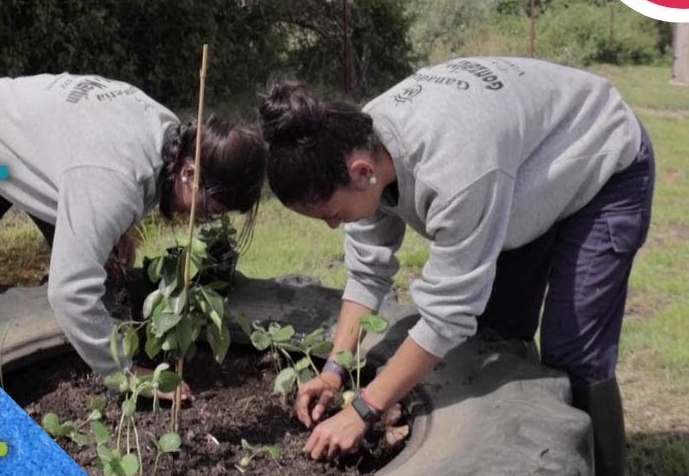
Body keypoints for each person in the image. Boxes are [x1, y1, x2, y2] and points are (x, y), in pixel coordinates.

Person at [258, 57, 654, 475]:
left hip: (600, 162)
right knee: (496, 334)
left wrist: (363, 409)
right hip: (524, 173)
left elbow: (446, 317)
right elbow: (366, 273)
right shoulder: (355, 144)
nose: (333, 225)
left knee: (573, 349)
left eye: (332, 213)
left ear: (361, 173)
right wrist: (334, 370)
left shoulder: (455, 166)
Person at [0, 72, 267, 393]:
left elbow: (108, 171)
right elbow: (68, 293)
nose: (201, 220)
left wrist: (119, 226)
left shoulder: (171, 134)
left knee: (107, 275)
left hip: (48, 155)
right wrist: (125, 374)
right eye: (208, 210)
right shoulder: (112, 179)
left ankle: (95, 347)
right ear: (189, 173)